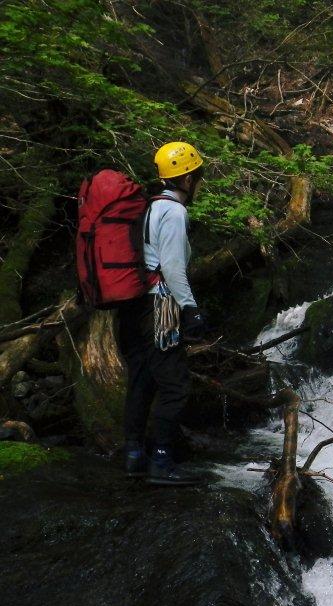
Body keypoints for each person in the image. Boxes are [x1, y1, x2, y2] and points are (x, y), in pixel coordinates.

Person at [117, 141, 209, 485]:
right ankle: (161, 462)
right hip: (161, 305)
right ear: (186, 179)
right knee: (174, 385)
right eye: (197, 176)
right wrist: (190, 309)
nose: (199, 182)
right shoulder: (174, 212)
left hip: (135, 304)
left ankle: (133, 455)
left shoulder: (149, 207)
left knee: (141, 378)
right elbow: (171, 267)